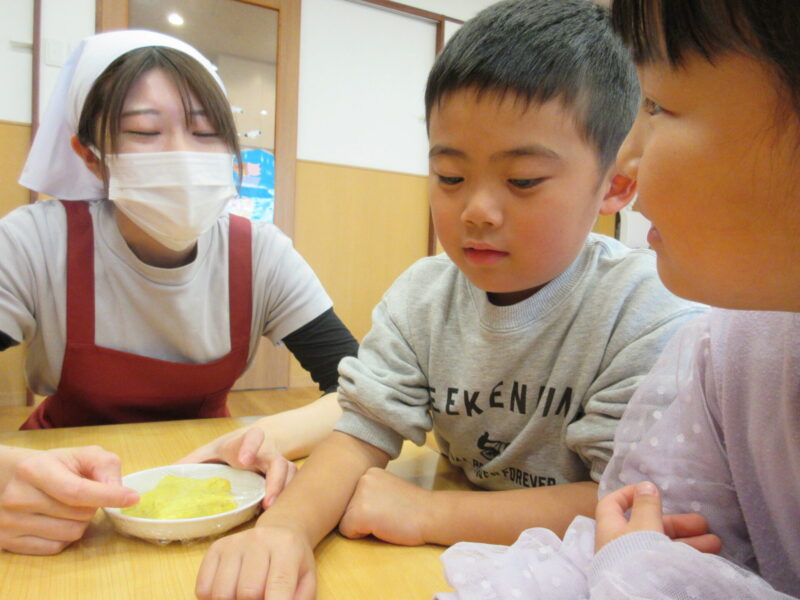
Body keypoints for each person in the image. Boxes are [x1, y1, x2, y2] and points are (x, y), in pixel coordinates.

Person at [194, 1, 707, 597]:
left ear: (614, 185)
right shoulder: (423, 297)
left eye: (522, 181)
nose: (477, 211)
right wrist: (284, 529)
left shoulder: (644, 309)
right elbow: (360, 430)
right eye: (451, 177)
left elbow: (626, 504)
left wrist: (428, 513)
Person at [435, 0, 800, 598]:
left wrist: (638, 567)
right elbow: (631, 529)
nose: (627, 159)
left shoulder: (655, 313)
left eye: (657, 105)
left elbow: (634, 558)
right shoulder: (722, 347)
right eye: (450, 176)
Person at [0, 30, 357, 556]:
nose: (183, 156)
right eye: (145, 131)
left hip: (211, 479)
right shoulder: (33, 242)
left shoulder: (259, 252)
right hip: (60, 498)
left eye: (206, 131)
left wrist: (258, 443)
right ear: (91, 157)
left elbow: (362, 390)